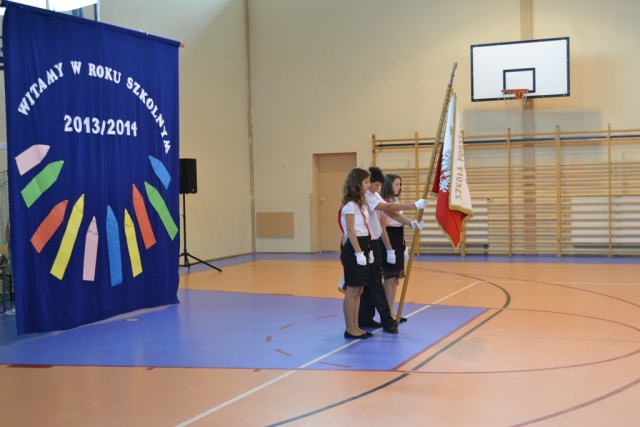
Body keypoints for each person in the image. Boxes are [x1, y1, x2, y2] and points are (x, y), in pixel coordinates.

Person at [358, 166, 425, 334]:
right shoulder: (367, 196)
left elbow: (391, 211)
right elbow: (387, 209)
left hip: (374, 242)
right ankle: (385, 319)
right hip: (370, 241)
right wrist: (414, 205)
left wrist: (410, 223)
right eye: (372, 184)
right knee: (373, 284)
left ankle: (367, 318)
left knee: (373, 283)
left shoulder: (374, 195)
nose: (375, 188)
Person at [338, 167, 373, 339]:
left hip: (363, 244)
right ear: (356, 184)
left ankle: (356, 326)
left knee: (359, 289)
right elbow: (351, 230)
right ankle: (349, 328)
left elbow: (364, 228)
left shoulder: (361, 205)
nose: (368, 185)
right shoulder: (350, 206)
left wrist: (368, 250)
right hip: (354, 247)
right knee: (352, 290)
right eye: (366, 182)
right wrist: (359, 253)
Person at [380, 173, 415, 322]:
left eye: (400, 184)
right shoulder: (383, 204)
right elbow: (383, 229)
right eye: (396, 184)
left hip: (398, 241)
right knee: (389, 279)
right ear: (388, 185)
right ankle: (386, 314)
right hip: (388, 241)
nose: (399, 187)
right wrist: (389, 250)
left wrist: (404, 246)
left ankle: (392, 311)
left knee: (395, 279)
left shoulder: (396, 202)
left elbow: (400, 226)